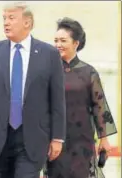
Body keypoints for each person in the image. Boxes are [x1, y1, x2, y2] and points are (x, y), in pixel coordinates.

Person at [0, 2, 66, 178]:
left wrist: (57, 137)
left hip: (33, 138)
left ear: (27, 23)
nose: (6, 23)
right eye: (4, 18)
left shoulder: (49, 54)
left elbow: (57, 100)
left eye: (11, 18)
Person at [43, 17, 117, 178]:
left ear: (76, 43)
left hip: (82, 139)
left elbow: (99, 106)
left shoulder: (88, 72)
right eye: (55, 40)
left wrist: (104, 139)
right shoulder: (48, 71)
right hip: (56, 139)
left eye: (63, 40)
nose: (58, 45)